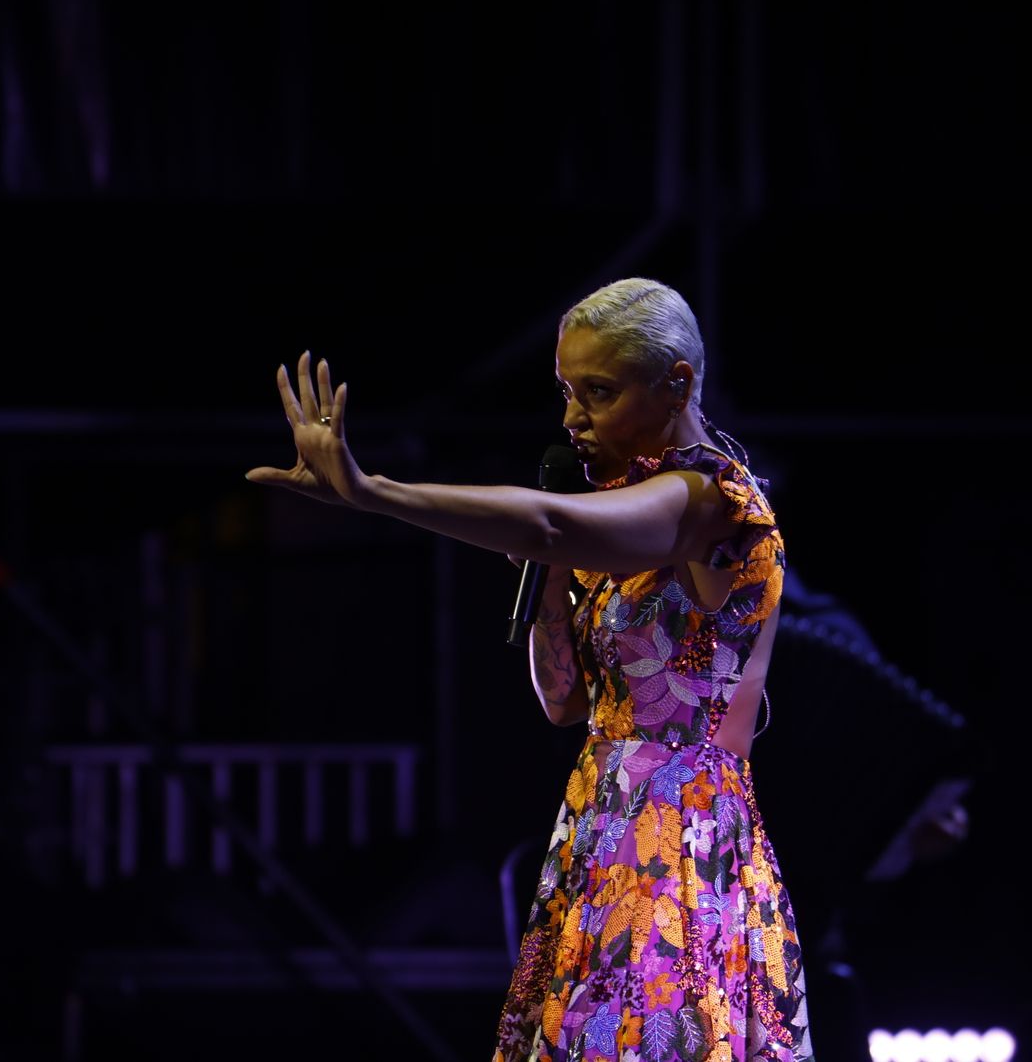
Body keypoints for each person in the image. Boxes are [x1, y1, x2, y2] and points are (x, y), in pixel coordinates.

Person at [244, 277, 814, 1061]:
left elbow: (549, 520)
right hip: (601, 821)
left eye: (599, 393)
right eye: (566, 391)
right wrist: (550, 579)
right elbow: (563, 700)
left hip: (678, 841)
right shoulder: (626, 520)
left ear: (676, 382)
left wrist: (374, 493)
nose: (571, 418)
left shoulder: (709, 503)